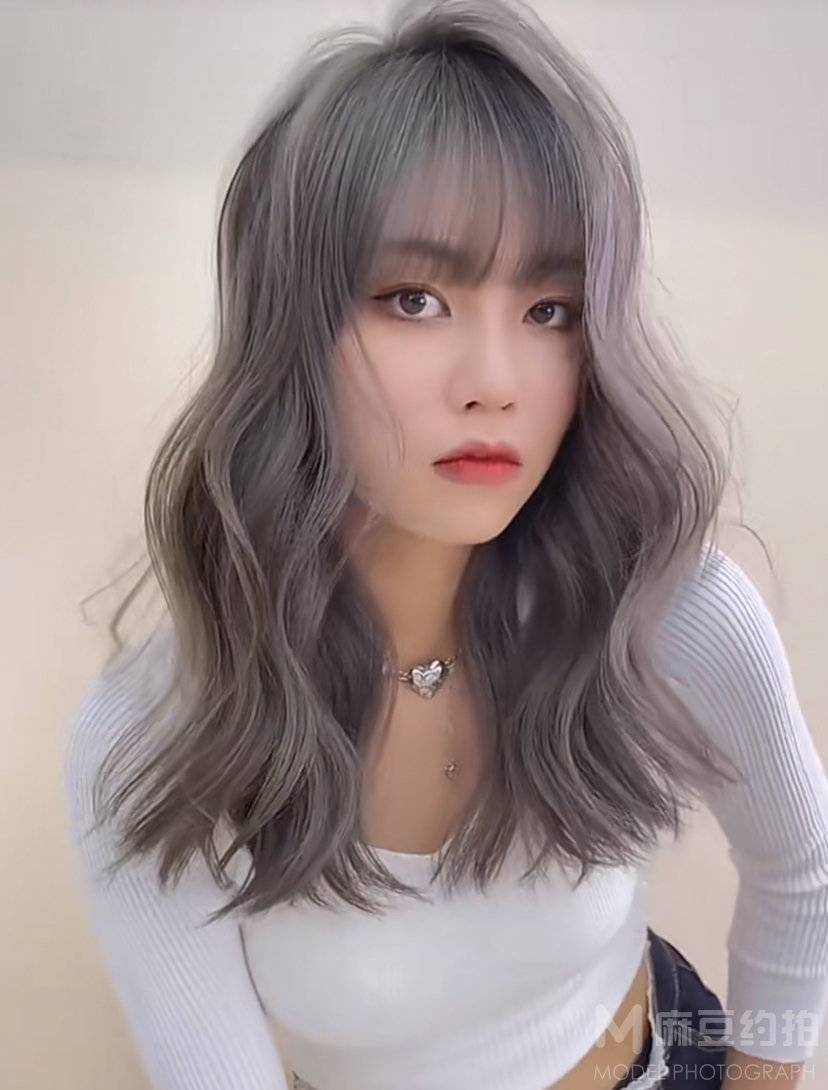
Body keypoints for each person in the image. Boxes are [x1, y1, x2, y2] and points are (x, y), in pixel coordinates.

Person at [63, 1, 828, 1087]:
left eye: (552, 309)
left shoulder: (665, 605)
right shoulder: (158, 735)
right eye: (414, 299)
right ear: (293, 328)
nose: (495, 383)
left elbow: (804, 874)